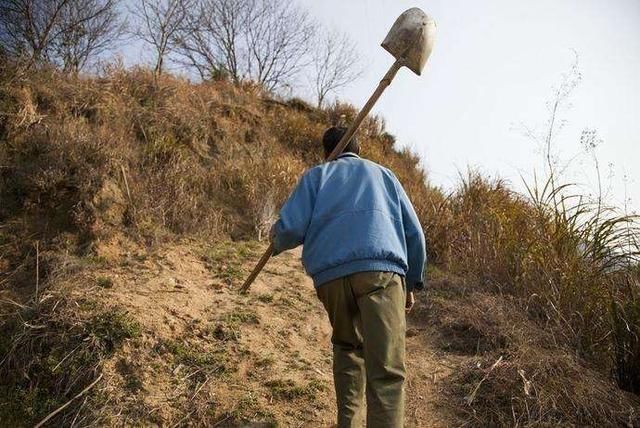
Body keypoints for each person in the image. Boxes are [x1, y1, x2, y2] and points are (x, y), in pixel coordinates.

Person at [269, 126, 427, 427]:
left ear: (326, 151)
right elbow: (414, 234)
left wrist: (275, 238)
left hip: (331, 278)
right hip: (380, 272)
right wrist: (411, 282)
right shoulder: (384, 175)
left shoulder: (318, 175)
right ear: (359, 148)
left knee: (348, 349)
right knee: (386, 372)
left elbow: (289, 229)